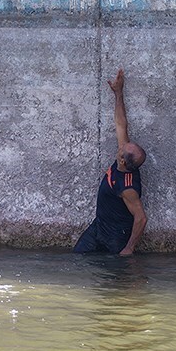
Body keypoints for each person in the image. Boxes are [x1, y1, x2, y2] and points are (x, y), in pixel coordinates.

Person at [73, 69, 148, 256]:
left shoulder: (127, 187)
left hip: (115, 237)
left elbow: (141, 218)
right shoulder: (125, 162)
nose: (121, 146)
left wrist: (129, 248)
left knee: (115, 269)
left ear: (122, 160)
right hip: (99, 227)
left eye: (123, 148)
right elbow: (121, 124)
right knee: (77, 258)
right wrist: (118, 93)